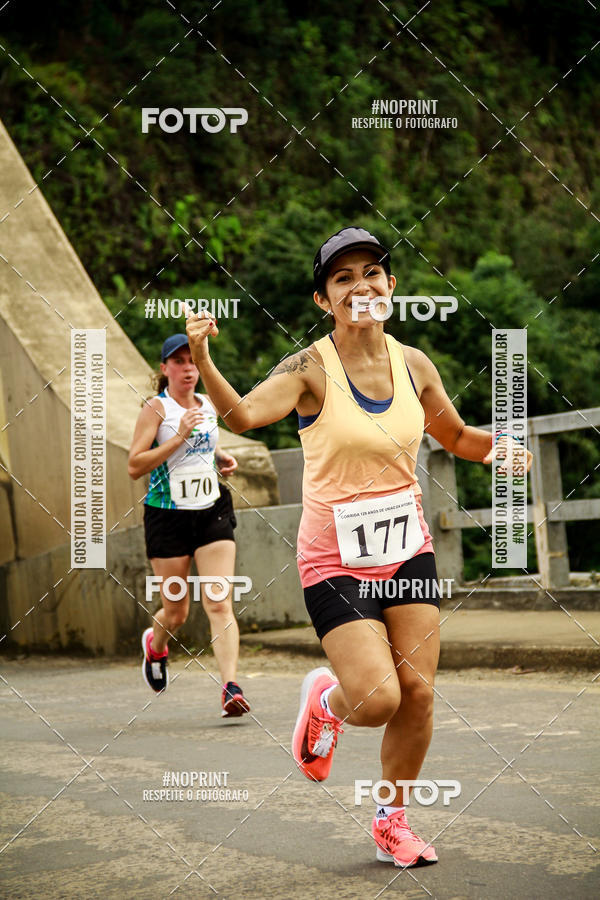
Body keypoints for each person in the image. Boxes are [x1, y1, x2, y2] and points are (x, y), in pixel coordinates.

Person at [185, 227, 532, 866]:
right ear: (325, 300)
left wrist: (501, 447)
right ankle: (326, 701)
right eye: (343, 278)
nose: (361, 285)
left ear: (391, 287)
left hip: (407, 550)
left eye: (371, 272)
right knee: (378, 699)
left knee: (420, 694)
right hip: (334, 558)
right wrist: (205, 360)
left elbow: (454, 437)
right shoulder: (309, 369)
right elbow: (242, 418)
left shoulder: (415, 363)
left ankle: (391, 821)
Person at [128, 333, 251, 718]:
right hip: (167, 516)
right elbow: (135, 465)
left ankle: (230, 687)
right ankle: (157, 645)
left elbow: (204, 443)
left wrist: (220, 456)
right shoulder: (156, 408)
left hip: (211, 509)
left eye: (192, 361)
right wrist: (179, 436)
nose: (187, 368)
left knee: (218, 601)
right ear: (164, 369)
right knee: (177, 611)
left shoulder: (209, 404)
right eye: (178, 361)